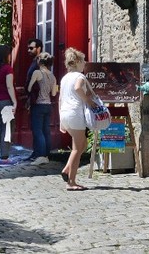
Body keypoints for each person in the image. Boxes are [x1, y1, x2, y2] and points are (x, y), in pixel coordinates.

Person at [59, 47, 95, 190]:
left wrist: (61, 120)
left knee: (83, 144)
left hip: (65, 113)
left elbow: (61, 98)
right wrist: (88, 100)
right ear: (78, 62)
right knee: (77, 148)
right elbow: (78, 88)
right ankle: (71, 182)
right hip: (75, 113)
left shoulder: (64, 78)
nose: (85, 63)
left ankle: (67, 168)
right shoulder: (80, 77)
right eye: (83, 61)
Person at [27, 52, 58, 166]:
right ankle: (46, 155)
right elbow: (54, 93)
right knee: (46, 131)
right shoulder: (52, 76)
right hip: (48, 105)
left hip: (38, 105)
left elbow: (29, 88)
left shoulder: (37, 72)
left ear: (40, 61)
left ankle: (40, 156)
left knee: (38, 131)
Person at [24, 39, 43, 160]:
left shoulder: (39, 64)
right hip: (33, 99)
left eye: (31, 48)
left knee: (38, 128)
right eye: (28, 48)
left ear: (39, 48)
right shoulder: (34, 62)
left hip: (38, 100)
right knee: (36, 128)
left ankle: (40, 154)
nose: (29, 50)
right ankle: (37, 153)